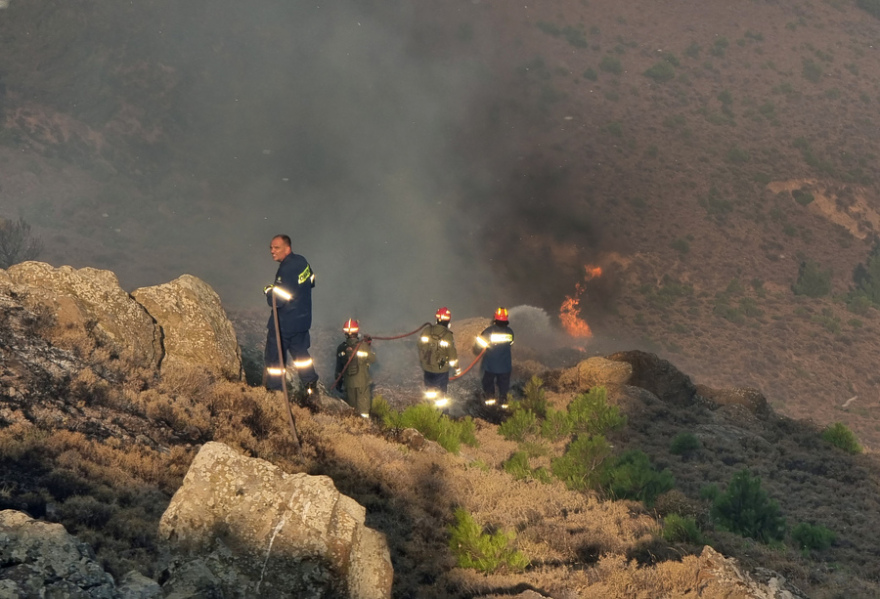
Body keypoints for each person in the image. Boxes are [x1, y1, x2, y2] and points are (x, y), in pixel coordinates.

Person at [263, 234, 320, 397]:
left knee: (274, 359)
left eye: (276, 248)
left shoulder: (286, 269)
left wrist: (269, 291)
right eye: (271, 248)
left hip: (283, 325)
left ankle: (275, 392)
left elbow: (278, 300)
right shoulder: (302, 261)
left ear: (287, 249)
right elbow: (312, 281)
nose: (272, 251)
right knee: (302, 355)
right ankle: (310, 384)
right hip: (302, 322)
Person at [334, 319, 376, 418]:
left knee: (351, 410)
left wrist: (338, 382)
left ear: (345, 332)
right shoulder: (363, 346)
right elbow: (373, 359)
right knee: (364, 411)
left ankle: (353, 428)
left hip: (349, 384)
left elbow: (338, 369)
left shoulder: (341, 348)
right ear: (357, 331)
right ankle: (366, 428)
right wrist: (369, 345)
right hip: (362, 383)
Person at [417, 307, 459, 407]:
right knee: (441, 391)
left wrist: (423, 360)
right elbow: (452, 352)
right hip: (441, 368)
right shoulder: (447, 335)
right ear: (448, 321)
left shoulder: (427, 330)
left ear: (437, 319)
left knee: (430, 389)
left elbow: (420, 346)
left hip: (427, 367)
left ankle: (429, 408)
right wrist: (457, 368)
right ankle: (442, 412)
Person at [474, 307, 514, 408]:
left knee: (488, 385)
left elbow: (478, 347)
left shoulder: (489, 331)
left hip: (490, 366)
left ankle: (490, 406)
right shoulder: (510, 332)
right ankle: (504, 406)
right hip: (505, 366)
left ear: (495, 318)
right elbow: (510, 344)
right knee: (503, 388)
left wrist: (479, 349)